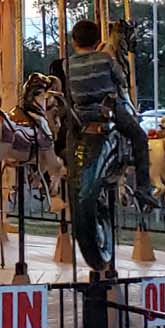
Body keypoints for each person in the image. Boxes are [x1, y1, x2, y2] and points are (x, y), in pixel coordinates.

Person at [66, 19, 150, 200]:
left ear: (74, 41)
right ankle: (144, 187)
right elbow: (121, 79)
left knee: (67, 139)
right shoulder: (105, 58)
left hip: (81, 114)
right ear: (98, 41)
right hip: (107, 109)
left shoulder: (68, 64)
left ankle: (68, 171)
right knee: (139, 137)